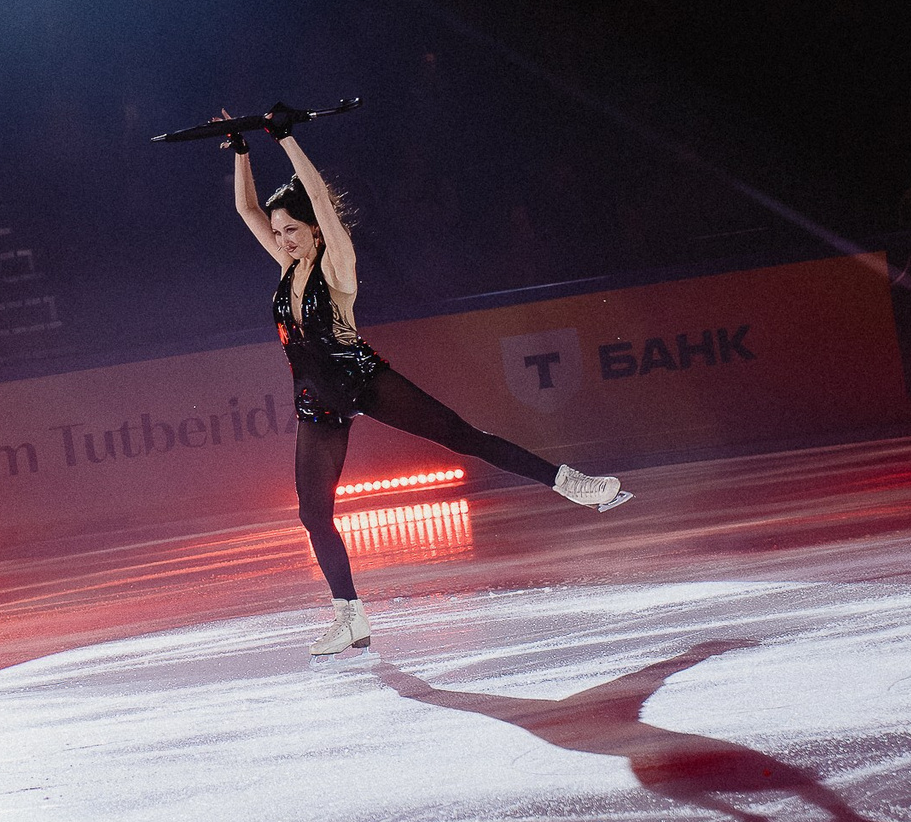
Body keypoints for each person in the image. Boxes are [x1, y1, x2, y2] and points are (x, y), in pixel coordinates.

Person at [223, 104, 630, 657]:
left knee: (464, 438)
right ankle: (350, 617)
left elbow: (320, 198)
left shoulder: (336, 264)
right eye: (279, 233)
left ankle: (569, 483)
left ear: (316, 231)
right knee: (312, 512)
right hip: (316, 400)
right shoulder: (286, 266)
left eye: (291, 230)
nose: (283, 239)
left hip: (363, 380)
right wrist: (242, 150)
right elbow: (247, 211)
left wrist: (286, 138)